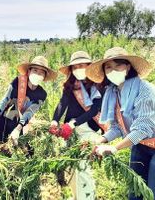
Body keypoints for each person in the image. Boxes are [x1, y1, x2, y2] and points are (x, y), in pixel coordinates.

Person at [85, 47, 155, 200]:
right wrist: (101, 140)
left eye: (118, 65)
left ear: (128, 67)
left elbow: (144, 128)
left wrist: (114, 148)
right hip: (140, 146)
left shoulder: (146, 90)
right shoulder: (113, 92)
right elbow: (117, 126)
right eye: (108, 67)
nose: (113, 70)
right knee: (135, 194)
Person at [49, 51, 107, 200]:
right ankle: (77, 196)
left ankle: (87, 197)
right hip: (70, 130)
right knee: (71, 166)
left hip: (88, 130)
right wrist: (55, 120)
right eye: (75, 67)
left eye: (82, 66)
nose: (78, 69)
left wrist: (73, 124)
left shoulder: (98, 86)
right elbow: (62, 103)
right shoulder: (71, 85)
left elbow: (94, 110)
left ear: (89, 67)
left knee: (82, 167)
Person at [0, 56, 57, 147]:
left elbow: (29, 113)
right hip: (7, 116)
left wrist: (18, 129)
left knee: (22, 147)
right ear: (29, 71)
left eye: (41, 72)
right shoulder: (18, 82)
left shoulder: (42, 94)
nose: (38, 74)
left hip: (21, 121)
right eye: (35, 70)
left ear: (44, 76)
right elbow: (4, 101)